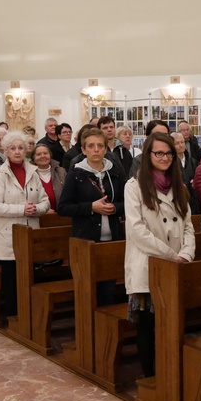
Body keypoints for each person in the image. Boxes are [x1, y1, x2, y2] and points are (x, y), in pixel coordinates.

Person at [124, 132, 195, 378]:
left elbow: (188, 225)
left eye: (169, 153)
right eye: (159, 153)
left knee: (172, 323)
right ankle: (151, 377)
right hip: (149, 263)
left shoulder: (179, 185)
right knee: (148, 325)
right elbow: (136, 230)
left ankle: (171, 372)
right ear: (148, 155)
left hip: (176, 262)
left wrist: (186, 253)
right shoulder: (134, 186)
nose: (164, 158)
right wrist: (169, 255)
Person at [58, 128, 125, 306]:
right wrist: (91, 207)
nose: (96, 149)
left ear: (105, 149)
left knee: (108, 290)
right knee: (87, 290)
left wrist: (115, 207)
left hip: (112, 238)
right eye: (91, 146)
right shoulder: (76, 174)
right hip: (85, 239)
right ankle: (88, 330)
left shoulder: (115, 172)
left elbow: (127, 202)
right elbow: (63, 208)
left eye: (100, 146)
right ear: (83, 149)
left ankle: (105, 329)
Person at [0, 131, 50, 317]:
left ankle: (30, 313)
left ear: (26, 150)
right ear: (6, 151)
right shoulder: (0, 175)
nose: (17, 152)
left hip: (30, 230)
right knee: (12, 277)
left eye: (21, 148)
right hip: (9, 233)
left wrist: (36, 209)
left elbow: (45, 201)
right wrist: (21, 209)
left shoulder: (33, 171)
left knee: (30, 276)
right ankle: (14, 315)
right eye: (13, 148)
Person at [31, 143, 66, 212]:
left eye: (45, 153)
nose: (42, 156)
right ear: (33, 159)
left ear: (50, 156)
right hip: (37, 217)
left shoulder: (61, 172)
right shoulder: (29, 175)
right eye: (38, 154)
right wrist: (43, 210)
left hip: (61, 217)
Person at [171, 132, 199, 214]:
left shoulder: (193, 161)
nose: (181, 145)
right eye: (177, 143)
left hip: (192, 200)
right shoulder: (170, 163)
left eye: (182, 142)